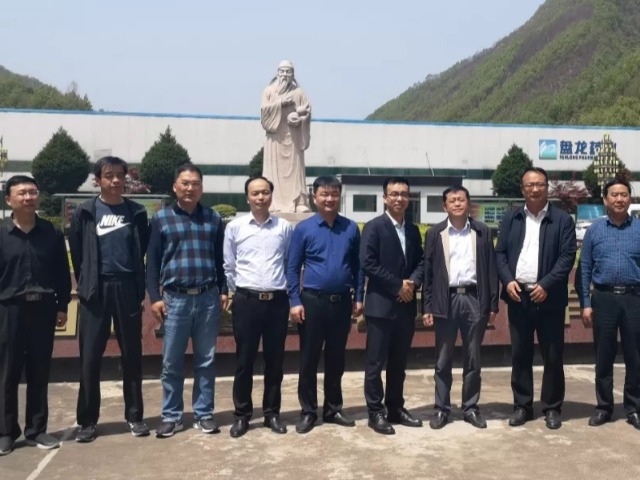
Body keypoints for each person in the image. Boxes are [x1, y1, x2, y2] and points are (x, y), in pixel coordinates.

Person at [69, 156, 150, 443]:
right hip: (96, 290)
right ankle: (87, 421)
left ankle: (135, 416)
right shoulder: (85, 212)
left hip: (127, 288)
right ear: (98, 180)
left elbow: (142, 248)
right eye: (108, 175)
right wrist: (88, 282)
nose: (115, 180)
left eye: (120, 175)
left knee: (132, 356)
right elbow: (77, 253)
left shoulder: (136, 212)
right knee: (90, 358)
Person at [147, 164, 228, 438]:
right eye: (185, 183)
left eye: (195, 183)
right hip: (175, 300)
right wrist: (155, 297)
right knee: (171, 362)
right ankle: (171, 416)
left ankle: (204, 414)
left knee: (206, 360)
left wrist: (223, 289)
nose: (190, 188)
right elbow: (152, 262)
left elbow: (220, 259)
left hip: (207, 298)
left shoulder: (213, 218)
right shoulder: (161, 218)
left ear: (201, 188)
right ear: (175, 187)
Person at [496, 167, 576, 430]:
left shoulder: (562, 220)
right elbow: (500, 253)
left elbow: (567, 257)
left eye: (539, 184)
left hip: (549, 298)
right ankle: (522, 405)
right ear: (522, 189)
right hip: (518, 295)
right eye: (529, 185)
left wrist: (546, 284)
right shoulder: (511, 217)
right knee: (520, 354)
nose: (534, 189)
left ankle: (552, 407)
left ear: (547, 187)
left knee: (552, 355)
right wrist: (507, 280)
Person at [287, 176, 364, 434]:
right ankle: (308, 411)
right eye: (324, 194)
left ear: (339, 196)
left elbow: (358, 266)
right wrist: (294, 300)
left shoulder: (350, 228)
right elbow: (292, 267)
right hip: (312, 302)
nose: (329, 199)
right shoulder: (304, 229)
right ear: (314, 197)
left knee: (336, 359)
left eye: (334, 194)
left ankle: (333, 409)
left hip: (341, 303)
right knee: (308, 359)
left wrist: (359, 297)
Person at [0, 176, 71, 456]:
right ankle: (6, 432)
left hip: (43, 309)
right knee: (6, 373)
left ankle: (37, 429)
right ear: (9, 200)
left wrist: (62, 305)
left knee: (39, 371)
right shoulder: (1, 233)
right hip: (8, 310)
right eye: (22, 193)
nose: (29, 197)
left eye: (32, 192)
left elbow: (61, 272)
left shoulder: (50, 233)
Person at [423, 186, 499, 430]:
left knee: (473, 358)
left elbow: (491, 268)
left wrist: (493, 303)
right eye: (452, 200)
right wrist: (426, 306)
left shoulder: (482, 231)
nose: (457, 204)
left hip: (474, 300)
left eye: (461, 199)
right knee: (443, 358)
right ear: (444, 206)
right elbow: (428, 272)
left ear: (469, 203)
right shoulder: (435, 233)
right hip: (445, 300)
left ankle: (470, 408)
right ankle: (441, 408)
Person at [223, 176, 293, 438]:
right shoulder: (235, 227)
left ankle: (272, 413)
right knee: (244, 360)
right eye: (255, 193)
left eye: (265, 192)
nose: (260, 197)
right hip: (247, 301)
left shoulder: (284, 227)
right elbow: (229, 265)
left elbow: (289, 262)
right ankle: (242, 415)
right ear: (247, 198)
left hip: (277, 301)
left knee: (275, 361)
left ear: (271, 196)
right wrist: (241, 290)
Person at [360, 177, 424, 435]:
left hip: (405, 307)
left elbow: (421, 262)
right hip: (381, 306)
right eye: (394, 194)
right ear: (385, 198)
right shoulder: (374, 227)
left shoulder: (413, 230)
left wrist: (413, 283)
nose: (399, 198)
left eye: (404, 194)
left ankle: (395, 407)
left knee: (399, 363)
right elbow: (368, 263)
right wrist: (398, 285)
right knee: (375, 364)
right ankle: (375, 412)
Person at [579, 178, 640, 430]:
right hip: (603, 298)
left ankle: (633, 407)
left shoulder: (639, 228)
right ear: (605, 199)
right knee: (604, 355)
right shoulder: (594, 230)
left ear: (630, 199)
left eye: (624, 194)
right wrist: (586, 303)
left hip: (634, 298)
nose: (619, 199)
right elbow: (584, 268)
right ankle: (604, 407)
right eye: (614, 194)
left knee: (635, 356)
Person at [260, 60, 312, 213]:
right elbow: (264, 111)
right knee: (273, 170)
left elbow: (307, 111)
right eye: (282, 71)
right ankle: (272, 202)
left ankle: (299, 202)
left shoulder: (299, 92)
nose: (285, 75)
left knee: (296, 170)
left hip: (294, 135)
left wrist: (300, 118)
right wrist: (281, 103)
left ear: (293, 74)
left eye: (288, 72)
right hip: (275, 137)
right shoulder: (269, 91)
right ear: (277, 73)